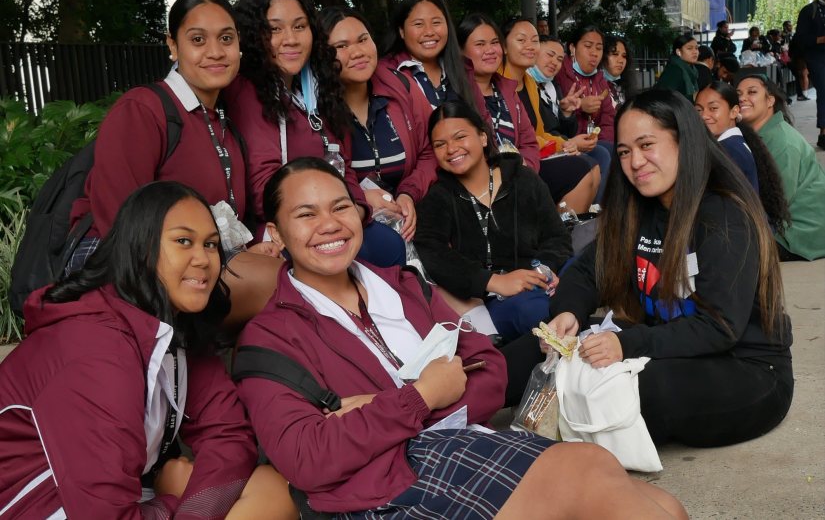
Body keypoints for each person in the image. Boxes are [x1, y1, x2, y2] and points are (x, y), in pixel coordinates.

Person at [236, 157, 689, 520]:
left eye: (339, 207)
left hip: (443, 444)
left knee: (650, 498)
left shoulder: (403, 286)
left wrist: (391, 408)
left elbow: (489, 372)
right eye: (305, 214)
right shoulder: (269, 338)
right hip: (376, 488)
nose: (329, 224)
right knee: (588, 472)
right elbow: (305, 459)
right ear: (275, 234)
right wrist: (420, 395)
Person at [0, 182, 295, 519]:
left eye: (211, 244)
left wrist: (195, 510)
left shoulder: (174, 326)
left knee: (272, 489)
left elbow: (228, 434)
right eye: (184, 241)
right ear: (139, 247)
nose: (203, 259)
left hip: (116, 501)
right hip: (39, 509)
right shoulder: (95, 349)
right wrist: (173, 498)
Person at [545, 88, 794, 448]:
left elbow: (719, 327)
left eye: (647, 145)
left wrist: (627, 343)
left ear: (685, 142)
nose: (635, 162)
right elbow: (586, 271)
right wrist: (567, 312)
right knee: (551, 352)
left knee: (633, 386)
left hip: (747, 368)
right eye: (625, 152)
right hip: (672, 346)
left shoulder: (724, 214)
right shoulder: (639, 209)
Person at [66, 0, 282, 331]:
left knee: (296, 274)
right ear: (172, 46)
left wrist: (251, 247)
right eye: (198, 39)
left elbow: (227, 216)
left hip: (197, 257)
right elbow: (119, 219)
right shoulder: (143, 109)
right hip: (123, 261)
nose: (215, 51)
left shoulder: (224, 119)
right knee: (283, 284)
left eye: (226, 38)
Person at [225, 0, 406, 274]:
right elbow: (263, 192)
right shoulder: (247, 92)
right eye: (274, 29)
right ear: (253, 35)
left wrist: (356, 209)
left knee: (389, 244)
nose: (291, 39)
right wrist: (332, 219)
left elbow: (342, 165)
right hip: (286, 229)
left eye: (299, 26)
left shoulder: (315, 88)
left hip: (333, 217)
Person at [414, 100, 573, 341]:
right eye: (440, 144)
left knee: (585, 269)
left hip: (538, 282)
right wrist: (494, 282)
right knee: (536, 312)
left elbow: (557, 236)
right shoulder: (439, 197)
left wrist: (544, 270)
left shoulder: (522, 179)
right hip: (494, 300)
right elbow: (435, 255)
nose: (451, 149)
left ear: (483, 137)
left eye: (460, 137)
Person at [322, 6, 438, 242]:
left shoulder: (400, 85)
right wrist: (361, 199)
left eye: (363, 40)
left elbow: (431, 149)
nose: (357, 52)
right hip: (352, 224)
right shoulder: (315, 108)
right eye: (342, 46)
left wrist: (409, 193)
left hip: (414, 211)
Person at [496, 17, 599, 212]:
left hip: (536, 155)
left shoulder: (529, 83)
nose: (530, 46)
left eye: (534, 41)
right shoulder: (496, 82)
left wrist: (564, 144)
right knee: (581, 169)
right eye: (521, 40)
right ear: (504, 46)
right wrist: (560, 143)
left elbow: (540, 132)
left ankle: (569, 233)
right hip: (516, 162)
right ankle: (561, 235)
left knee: (591, 165)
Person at [736, 74, 825, 260]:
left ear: (770, 101)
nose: (742, 98)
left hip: (798, 233)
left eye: (752, 92)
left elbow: (776, 202)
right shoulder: (757, 135)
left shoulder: (783, 142)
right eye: (738, 94)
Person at [695, 82, 791, 236]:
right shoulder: (732, 145)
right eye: (698, 109)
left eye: (713, 108)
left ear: (734, 112)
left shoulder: (730, 150)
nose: (704, 115)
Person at [527, 34, 610, 202]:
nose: (554, 63)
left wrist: (566, 113)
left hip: (562, 143)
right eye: (549, 55)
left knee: (605, 151)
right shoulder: (525, 85)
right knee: (595, 158)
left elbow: (563, 129)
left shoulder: (552, 86)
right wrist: (569, 143)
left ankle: (596, 212)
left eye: (558, 59)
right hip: (544, 149)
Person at [379, 0, 487, 113]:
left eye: (436, 22)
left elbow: (484, 122)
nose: (429, 32)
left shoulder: (463, 70)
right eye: (419, 24)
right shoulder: (386, 74)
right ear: (401, 31)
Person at [457, 13, 541, 167]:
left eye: (494, 42)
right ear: (460, 51)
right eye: (480, 44)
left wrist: (526, 169)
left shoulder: (508, 91)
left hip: (520, 174)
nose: (490, 50)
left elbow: (529, 143)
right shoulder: (457, 95)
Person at [555, 25, 617, 149]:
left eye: (599, 48)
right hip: (568, 143)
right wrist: (580, 106)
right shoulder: (559, 72)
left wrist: (602, 143)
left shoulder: (600, 78)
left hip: (596, 143)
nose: (594, 53)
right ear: (572, 48)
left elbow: (608, 118)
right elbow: (553, 116)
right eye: (588, 46)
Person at [794, 0, 825, 149]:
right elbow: (799, 39)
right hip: (817, 56)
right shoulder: (809, 11)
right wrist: (820, 40)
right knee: (824, 91)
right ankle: (823, 132)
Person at [656, 34, 700, 100]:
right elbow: (664, 98)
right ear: (678, 52)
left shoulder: (692, 70)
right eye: (689, 48)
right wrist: (693, 97)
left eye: (696, 48)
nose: (695, 52)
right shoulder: (674, 71)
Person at [601, 35, 636, 107]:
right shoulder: (592, 86)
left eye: (624, 56)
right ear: (602, 56)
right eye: (615, 54)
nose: (621, 60)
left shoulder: (621, 87)